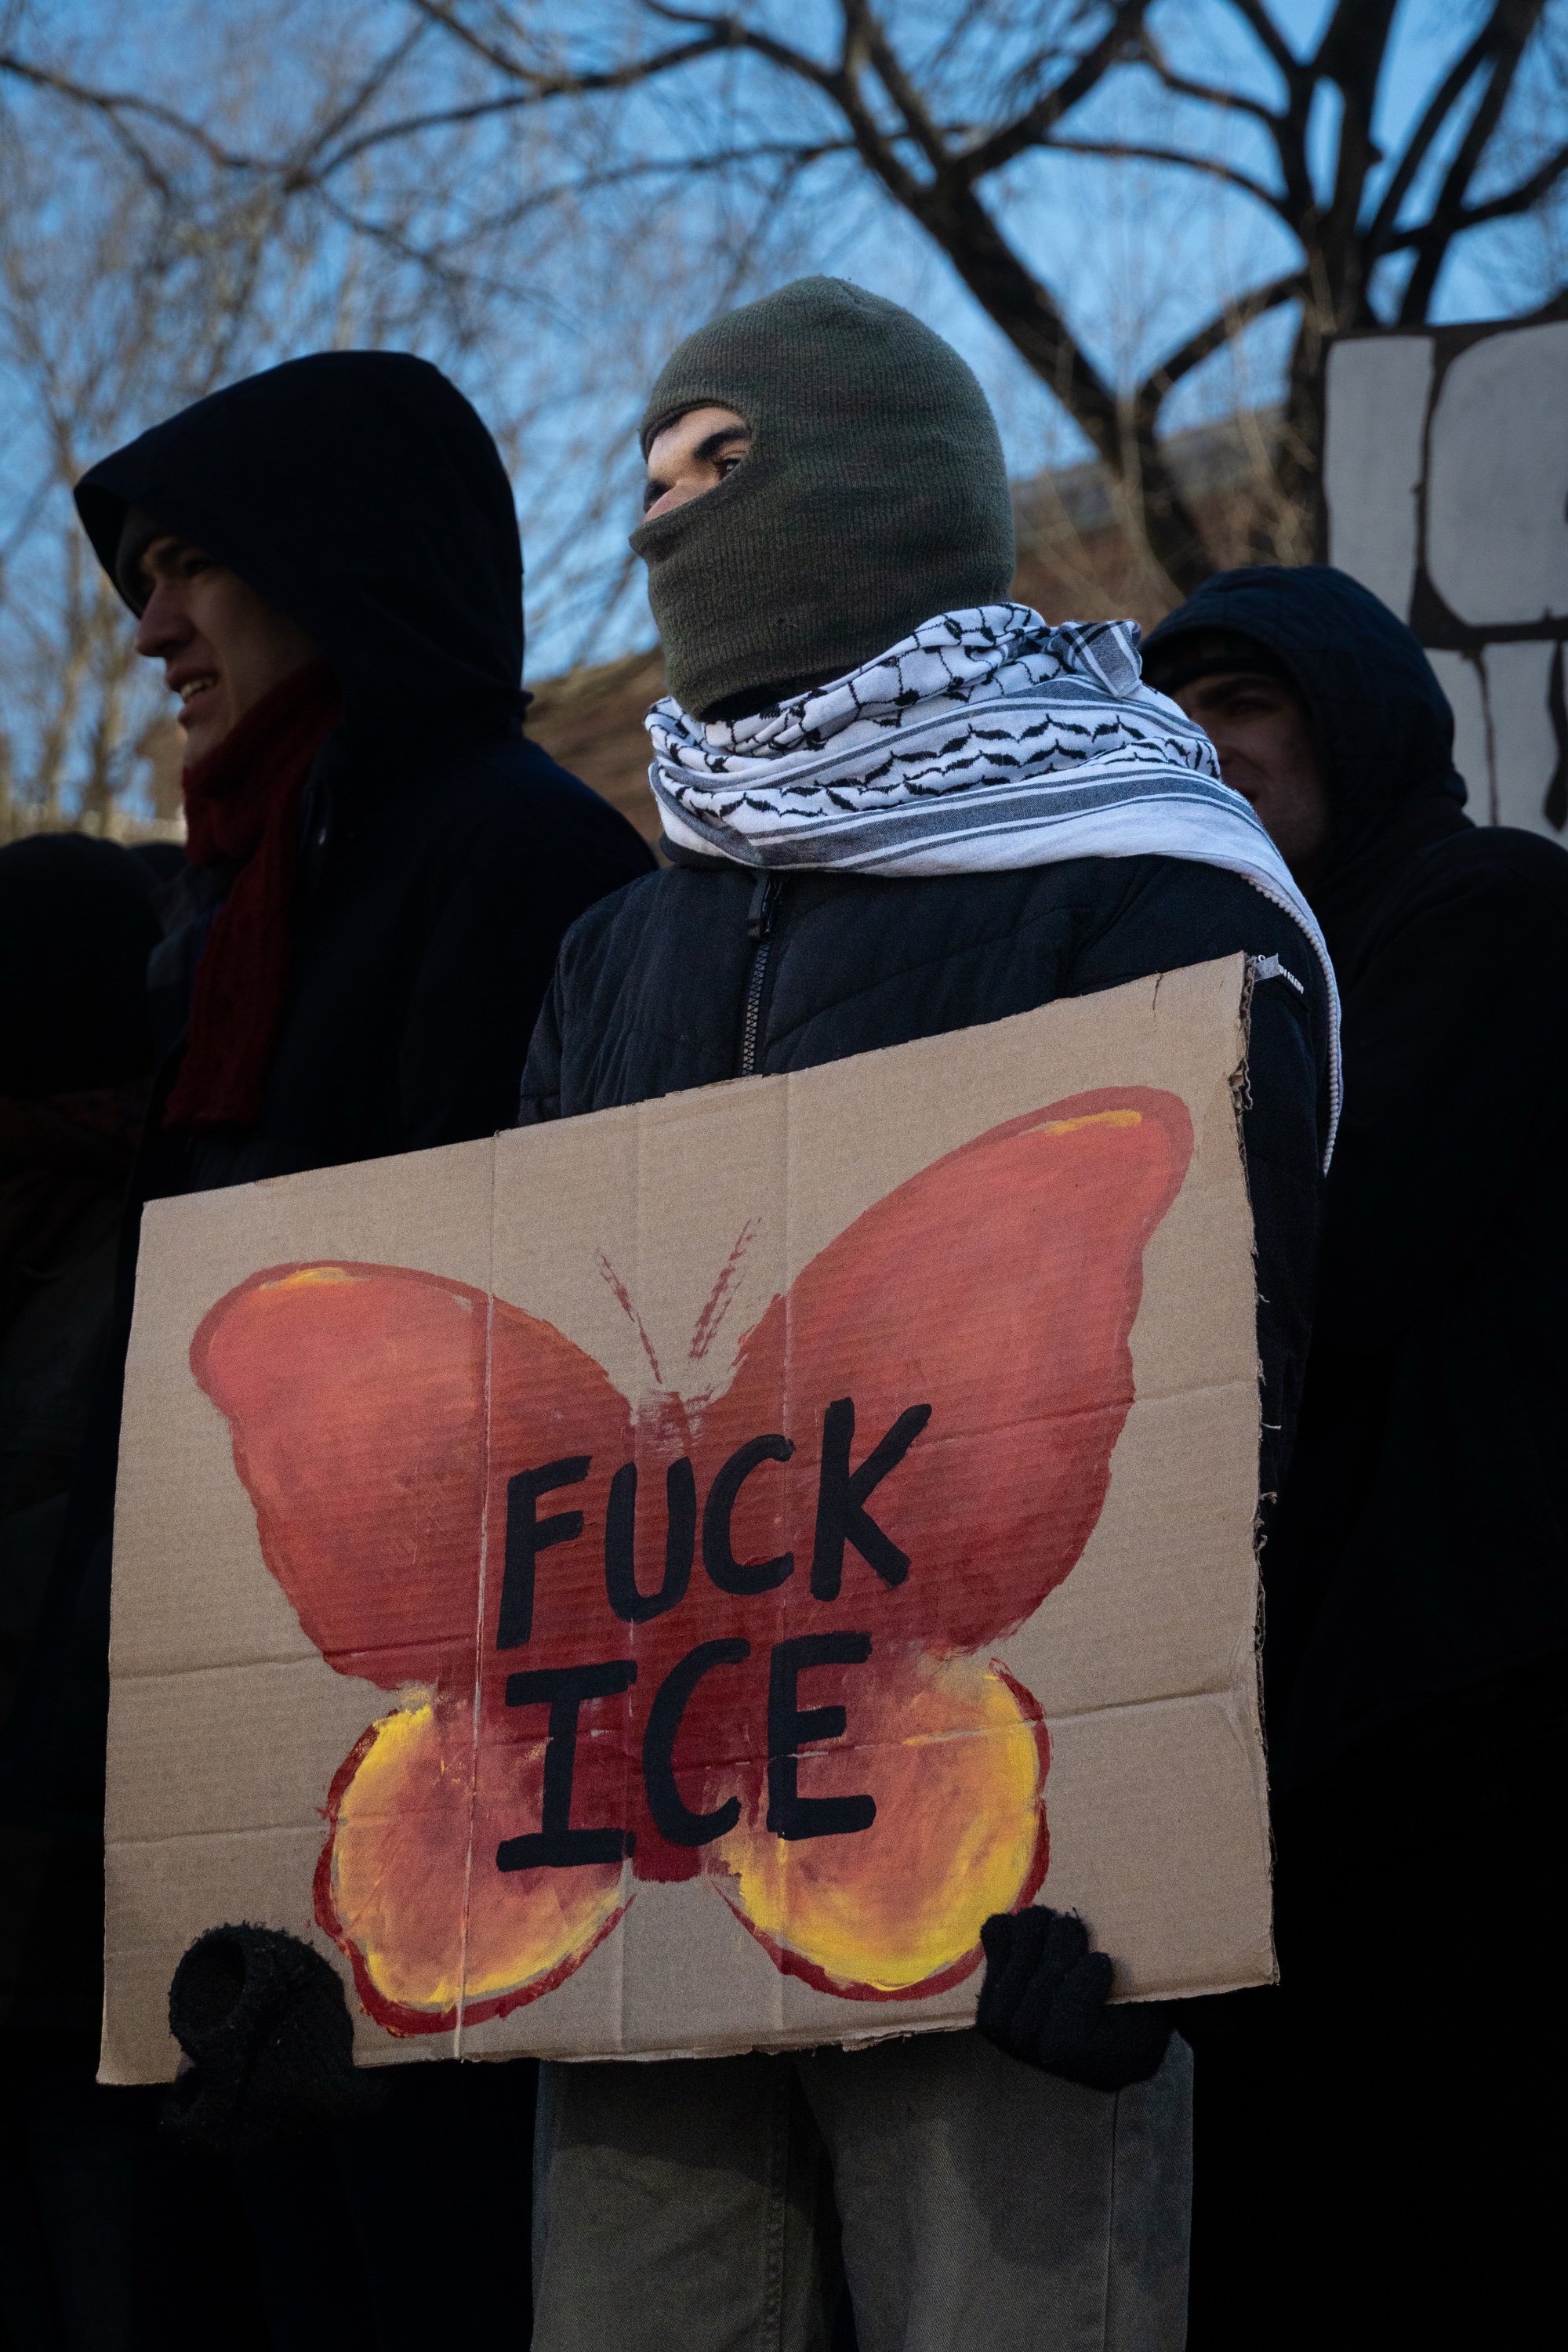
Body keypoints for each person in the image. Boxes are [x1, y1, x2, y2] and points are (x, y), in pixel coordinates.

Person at [516, 277, 1337, 2352]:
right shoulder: (618, 947)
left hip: (1007, 1883)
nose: (667, 528)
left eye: (725, 469)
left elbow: (1224, 1414)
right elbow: (513, 1444)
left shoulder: (1147, 879)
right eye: (650, 484)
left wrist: (1134, 1853)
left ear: (889, 489)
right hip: (654, 1878)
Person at [0, 350, 652, 2351]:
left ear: (334, 565)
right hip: (239, 1783)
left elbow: (546, 1355)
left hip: (443, 1799)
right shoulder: (236, 902)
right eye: (141, 575)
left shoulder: (513, 853)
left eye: (192, 563)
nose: (149, 621)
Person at [1142, 568, 1568, 2352]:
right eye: (1172, 729)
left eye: (1245, 705)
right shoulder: (1218, 974)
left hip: (1474, 1737)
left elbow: (1346, 1248)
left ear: (1358, 717)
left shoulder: (1485, 910)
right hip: (1295, 1783)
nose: (1206, 755)